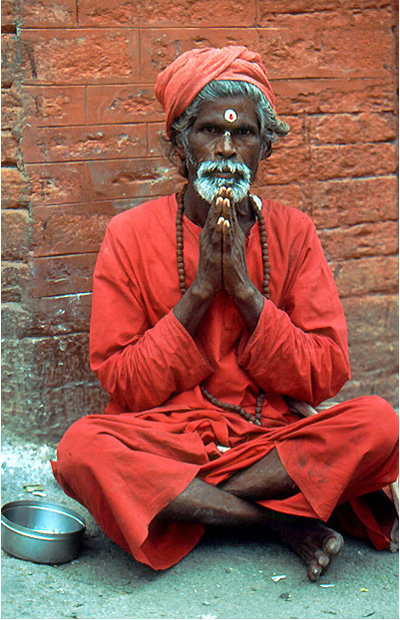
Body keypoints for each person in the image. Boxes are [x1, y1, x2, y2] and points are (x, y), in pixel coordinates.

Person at [52, 46, 398, 582]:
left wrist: (244, 293)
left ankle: (195, 505)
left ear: (265, 147)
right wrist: (198, 294)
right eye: (210, 131)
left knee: (379, 423)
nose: (227, 150)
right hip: (167, 436)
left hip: (269, 437)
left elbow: (327, 371)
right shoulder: (129, 234)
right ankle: (277, 523)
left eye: (245, 134)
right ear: (178, 144)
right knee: (81, 449)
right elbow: (124, 383)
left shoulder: (293, 232)